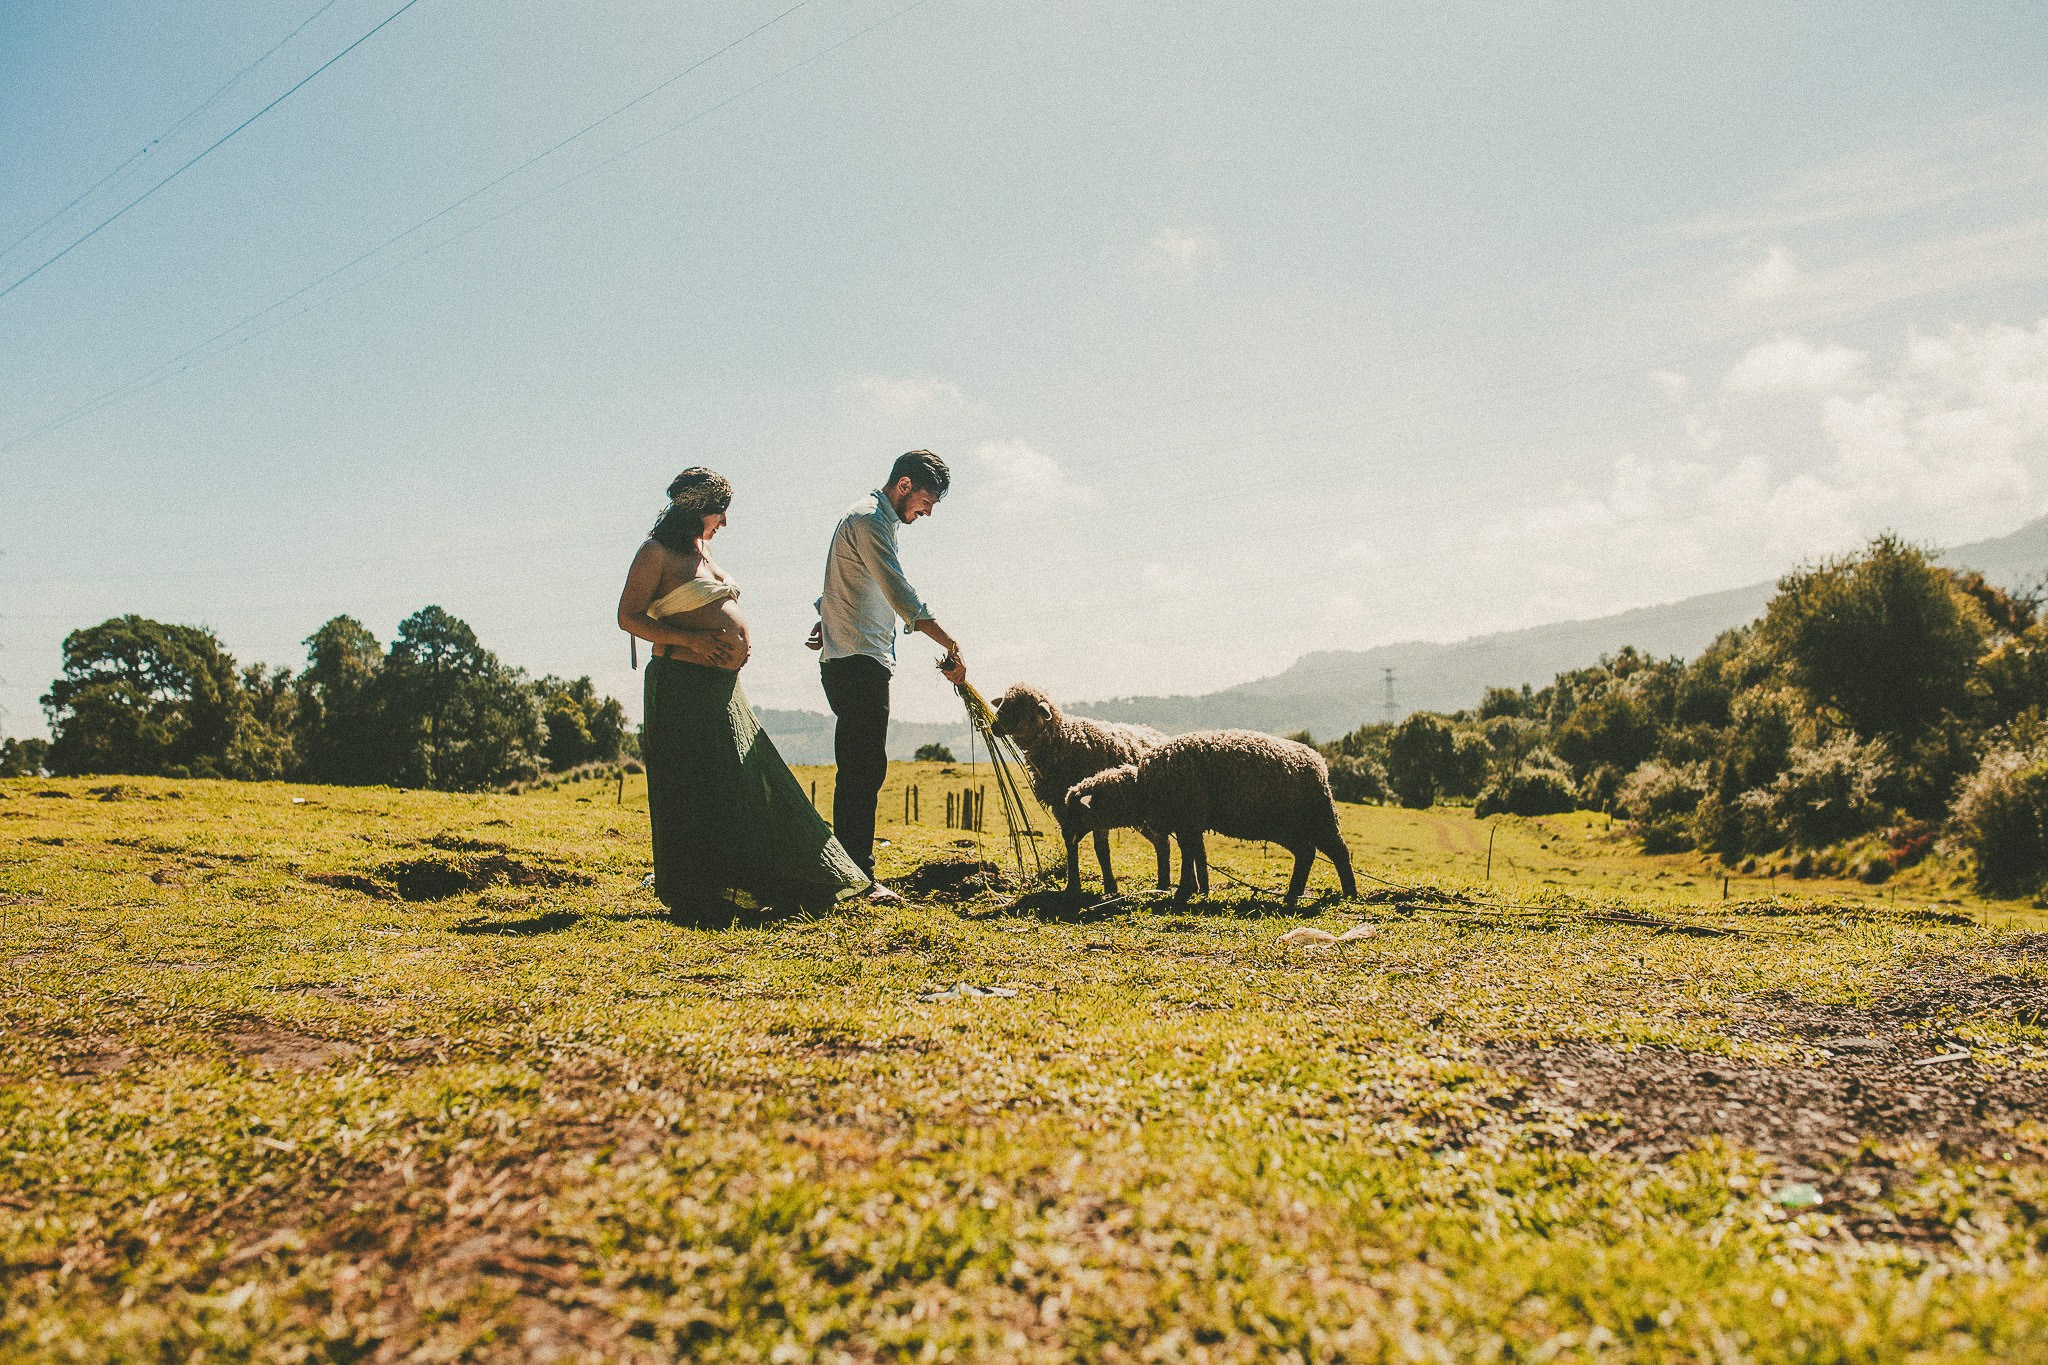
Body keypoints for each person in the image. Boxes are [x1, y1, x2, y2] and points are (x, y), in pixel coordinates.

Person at [619, 468, 869, 920]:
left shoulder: (704, 550)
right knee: (692, 785)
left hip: (722, 688)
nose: (725, 523)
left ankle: (760, 878)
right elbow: (628, 617)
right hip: (680, 685)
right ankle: (699, 888)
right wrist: (693, 640)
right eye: (720, 513)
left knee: (743, 779)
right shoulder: (654, 553)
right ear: (696, 509)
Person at [809, 450, 967, 899]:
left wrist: (827, 620)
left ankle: (849, 869)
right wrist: (949, 643)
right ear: (903, 486)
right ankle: (856, 876)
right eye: (926, 501)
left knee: (861, 766)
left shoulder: (871, 519)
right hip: (858, 661)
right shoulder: (868, 520)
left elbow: (846, 581)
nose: (928, 512)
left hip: (859, 654)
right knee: (863, 769)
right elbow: (898, 590)